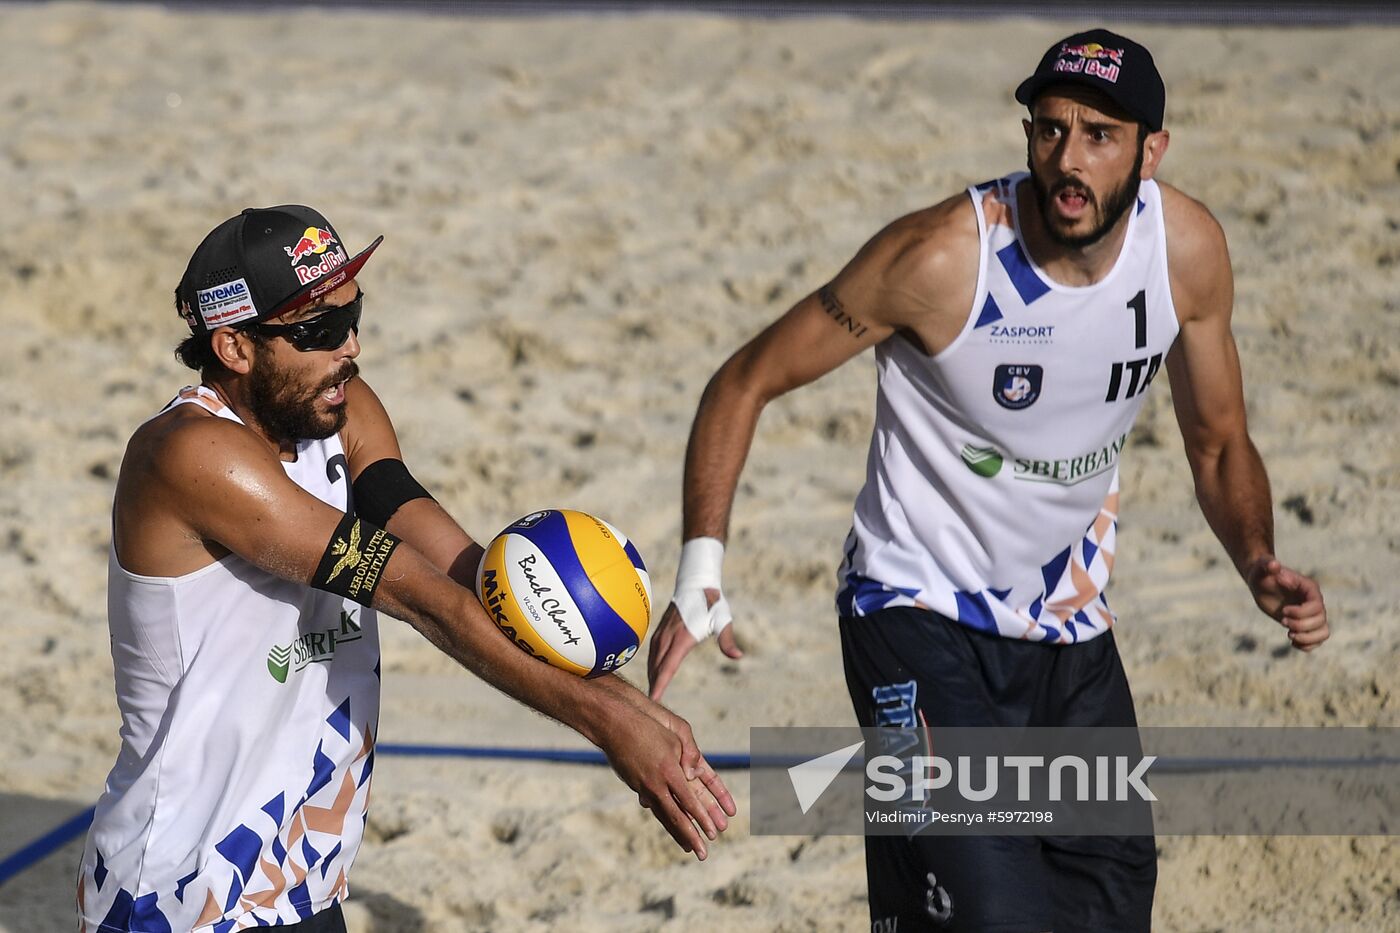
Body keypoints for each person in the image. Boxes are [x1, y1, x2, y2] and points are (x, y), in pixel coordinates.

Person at [646, 28, 1328, 933]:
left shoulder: (1185, 253)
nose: (1068, 161)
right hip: (910, 617)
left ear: (1151, 150)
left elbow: (1219, 442)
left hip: (1069, 624)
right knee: (986, 914)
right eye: (1049, 130)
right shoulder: (940, 260)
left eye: (1099, 135)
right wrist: (700, 570)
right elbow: (745, 380)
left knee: (1107, 911)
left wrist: (1257, 558)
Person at [78, 205, 735, 933]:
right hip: (177, 899)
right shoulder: (191, 455)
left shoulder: (344, 409)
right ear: (233, 346)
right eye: (318, 331)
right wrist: (610, 723)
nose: (350, 347)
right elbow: (420, 598)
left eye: (353, 314)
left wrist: (642, 713)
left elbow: (465, 577)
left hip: (301, 884)